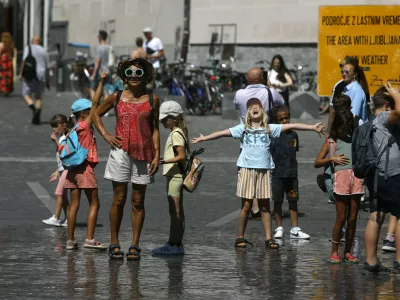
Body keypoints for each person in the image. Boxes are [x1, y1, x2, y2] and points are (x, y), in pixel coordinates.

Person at [192, 98, 326, 249]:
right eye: (251, 107)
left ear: (262, 111)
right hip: (247, 170)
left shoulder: (269, 128)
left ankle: (269, 239)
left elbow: (293, 125)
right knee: (247, 206)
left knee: (264, 206)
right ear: (248, 112)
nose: (255, 108)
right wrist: (205, 138)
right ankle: (240, 237)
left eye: (257, 107)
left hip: (264, 171)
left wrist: (312, 127)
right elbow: (223, 133)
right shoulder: (242, 128)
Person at [93, 58, 160, 260]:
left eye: (138, 73)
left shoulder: (152, 99)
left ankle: (134, 244)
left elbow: (155, 128)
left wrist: (157, 154)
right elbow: (95, 114)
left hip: (144, 153)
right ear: (124, 77)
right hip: (120, 152)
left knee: (138, 201)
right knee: (119, 199)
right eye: (129, 73)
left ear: (145, 77)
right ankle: (114, 242)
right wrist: (107, 136)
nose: (133, 76)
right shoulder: (117, 96)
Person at [63, 74, 109, 250]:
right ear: (84, 114)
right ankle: (90, 239)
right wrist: (102, 82)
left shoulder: (73, 128)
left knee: (74, 204)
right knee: (94, 203)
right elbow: (96, 101)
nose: (93, 112)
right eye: (90, 111)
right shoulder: (85, 125)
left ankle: (70, 240)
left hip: (72, 170)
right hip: (85, 169)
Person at [234, 67, 284, 219]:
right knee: (262, 171)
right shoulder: (270, 92)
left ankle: (252, 206)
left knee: (248, 171)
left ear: (247, 79)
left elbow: (236, 106)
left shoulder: (240, 94)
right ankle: (262, 207)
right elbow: (281, 102)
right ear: (262, 78)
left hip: (246, 139)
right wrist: (269, 87)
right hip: (265, 139)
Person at [315, 108, 363, 264]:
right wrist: (332, 158)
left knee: (353, 217)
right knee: (341, 218)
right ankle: (334, 251)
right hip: (341, 180)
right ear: (337, 126)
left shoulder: (354, 139)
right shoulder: (331, 141)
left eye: (348, 126)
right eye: (342, 126)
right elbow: (317, 162)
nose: (345, 129)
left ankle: (348, 251)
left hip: (356, 178)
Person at [363, 83, 400, 274]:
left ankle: (370, 262)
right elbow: (399, 113)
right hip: (391, 174)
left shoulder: (371, 120)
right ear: (387, 105)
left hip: (376, 175)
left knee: (375, 217)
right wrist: (397, 95)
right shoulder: (386, 117)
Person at [152, 101, 188, 255]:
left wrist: (163, 161)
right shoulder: (179, 131)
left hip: (175, 177)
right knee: (177, 211)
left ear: (173, 118)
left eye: (164, 119)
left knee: (175, 211)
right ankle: (176, 242)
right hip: (175, 176)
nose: (162, 122)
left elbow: (181, 156)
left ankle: (174, 244)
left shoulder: (175, 133)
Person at [270, 105, 310, 240]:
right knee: (278, 201)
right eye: (281, 119)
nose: (285, 121)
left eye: (286, 118)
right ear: (276, 120)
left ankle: (294, 228)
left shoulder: (294, 135)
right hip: (277, 174)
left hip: (292, 174)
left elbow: (294, 151)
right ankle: (279, 227)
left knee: (293, 200)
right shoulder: (273, 135)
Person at [42, 114, 70, 227]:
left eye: (55, 126)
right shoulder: (63, 136)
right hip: (63, 169)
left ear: (64, 125)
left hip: (68, 169)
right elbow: (61, 158)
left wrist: (56, 141)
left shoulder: (66, 137)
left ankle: (56, 218)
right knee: (63, 196)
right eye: (52, 127)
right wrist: (57, 171)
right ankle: (68, 218)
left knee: (59, 193)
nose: (54, 129)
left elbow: (64, 153)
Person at [328, 56, 368, 130]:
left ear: (354, 74)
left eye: (347, 72)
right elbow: (333, 110)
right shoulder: (342, 87)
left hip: (352, 131)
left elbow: (354, 115)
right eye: (342, 71)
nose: (344, 74)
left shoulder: (357, 90)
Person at [20, 35, 50, 125]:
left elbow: (24, 61)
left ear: (32, 41)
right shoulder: (44, 50)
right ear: (39, 41)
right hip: (41, 75)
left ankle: (33, 108)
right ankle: (37, 117)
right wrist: (48, 80)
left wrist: (21, 73)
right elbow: (48, 66)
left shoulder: (28, 48)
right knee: (38, 97)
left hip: (30, 74)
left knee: (25, 94)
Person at [90, 30, 112, 100]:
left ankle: (94, 107)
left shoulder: (99, 47)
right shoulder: (109, 47)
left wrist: (93, 74)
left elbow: (98, 61)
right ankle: (106, 110)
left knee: (93, 89)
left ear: (100, 37)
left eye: (98, 36)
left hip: (100, 72)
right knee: (105, 91)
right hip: (108, 71)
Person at [0, 32, 15, 96]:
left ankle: (2, 89)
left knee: (2, 75)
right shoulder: (11, 45)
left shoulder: (1, 44)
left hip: (3, 62)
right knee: (9, 76)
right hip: (9, 62)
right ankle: (8, 90)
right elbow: (13, 55)